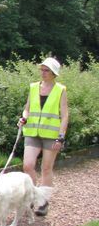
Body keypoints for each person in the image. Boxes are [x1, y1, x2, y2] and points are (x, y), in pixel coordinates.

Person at [17, 57, 68, 216]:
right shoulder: (33, 87)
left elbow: (65, 115)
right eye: (42, 69)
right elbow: (27, 108)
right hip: (32, 132)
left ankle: (43, 202)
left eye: (47, 70)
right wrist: (23, 117)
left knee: (46, 168)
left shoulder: (60, 90)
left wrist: (61, 137)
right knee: (27, 165)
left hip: (51, 135)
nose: (43, 73)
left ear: (54, 74)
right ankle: (33, 195)